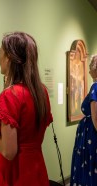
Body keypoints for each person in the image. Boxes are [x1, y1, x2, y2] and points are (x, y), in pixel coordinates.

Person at [0, 32, 53, 186]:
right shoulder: (41, 92)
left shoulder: (10, 95)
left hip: (16, 174)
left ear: (9, 57)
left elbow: (9, 152)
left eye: (0, 53)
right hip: (37, 168)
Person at [70, 55, 97, 186]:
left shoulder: (95, 87)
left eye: (91, 67)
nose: (89, 71)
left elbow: (95, 117)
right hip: (90, 133)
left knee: (88, 167)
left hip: (90, 135)